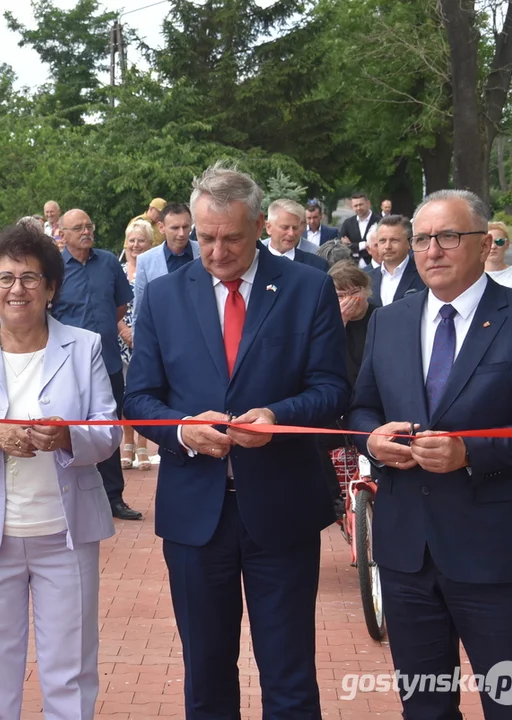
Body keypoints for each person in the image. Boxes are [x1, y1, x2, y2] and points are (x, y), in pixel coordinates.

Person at [123, 163, 350, 718]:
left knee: (290, 673)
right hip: (196, 517)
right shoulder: (164, 296)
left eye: (231, 238)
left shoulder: (308, 287)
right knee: (206, 673)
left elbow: (332, 390)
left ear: (259, 226)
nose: (216, 251)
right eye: (205, 237)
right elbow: (139, 399)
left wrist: (277, 415)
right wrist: (181, 431)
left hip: (281, 509)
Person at [348, 189, 512, 718]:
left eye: (448, 237)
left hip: (496, 556)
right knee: (425, 707)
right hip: (407, 555)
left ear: (484, 245)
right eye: (423, 239)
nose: (432, 250)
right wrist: (372, 439)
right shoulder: (390, 322)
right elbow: (360, 408)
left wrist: (470, 452)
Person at [0, 223, 119, 720]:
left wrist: (68, 437)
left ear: (51, 288)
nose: (18, 289)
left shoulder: (84, 346)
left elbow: (109, 431)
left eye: (31, 278)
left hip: (64, 532)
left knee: (70, 668)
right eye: (5, 278)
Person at [52, 208, 141, 521]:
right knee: (69, 428)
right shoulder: (55, 269)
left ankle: (113, 497)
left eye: (89, 226)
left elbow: (119, 307)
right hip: (67, 365)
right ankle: (69, 498)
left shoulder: (108, 263)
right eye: (78, 228)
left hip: (107, 361)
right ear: (62, 234)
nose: (86, 232)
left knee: (109, 428)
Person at [117, 218, 154, 470]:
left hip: (148, 338)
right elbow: (109, 305)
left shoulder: (153, 269)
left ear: (150, 243)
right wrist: (123, 331)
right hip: (119, 338)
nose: (136, 245)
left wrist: (139, 334)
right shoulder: (117, 271)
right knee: (123, 392)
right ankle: (127, 442)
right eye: (132, 240)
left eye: (141, 240)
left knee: (145, 391)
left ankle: (143, 444)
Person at [132, 202, 199, 334]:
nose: (181, 233)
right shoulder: (146, 261)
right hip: (163, 335)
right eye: (175, 228)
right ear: (161, 227)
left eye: (185, 227)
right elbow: (139, 311)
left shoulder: (205, 252)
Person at [367, 214, 426, 307]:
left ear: (409, 243)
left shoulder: (423, 276)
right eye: (382, 241)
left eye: (394, 240)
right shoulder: (367, 279)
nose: (387, 246)